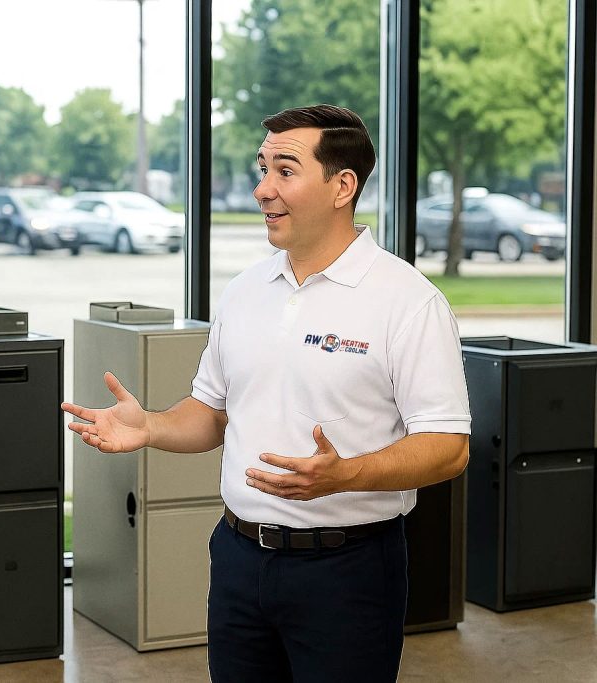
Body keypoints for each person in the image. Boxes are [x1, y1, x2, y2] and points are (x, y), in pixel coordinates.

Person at [61, 104, 470, 682]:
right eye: (263, 169)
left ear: (342, 186)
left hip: (349, 570)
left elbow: (449, 447)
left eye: (285, 170)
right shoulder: (245, 291)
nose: (262, 190)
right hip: (238, 559)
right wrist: (150, 426)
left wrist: (343, 476)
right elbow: (211, 413)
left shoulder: (408, 301)